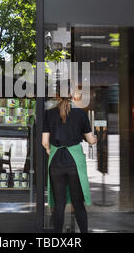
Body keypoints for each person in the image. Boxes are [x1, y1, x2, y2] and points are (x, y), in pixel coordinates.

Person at [42, 90, 97, 233]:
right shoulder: (80, 113)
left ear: (58, 95)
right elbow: (91, 140)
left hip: (56, 161)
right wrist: (95, 139)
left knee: (59, 204)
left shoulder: (49, 113)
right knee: (77, 203)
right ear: (72, 95)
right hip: (74, 163)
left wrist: (50, 151)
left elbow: (44, 142)